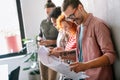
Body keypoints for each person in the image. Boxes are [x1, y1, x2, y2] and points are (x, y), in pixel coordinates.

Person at [61, 0, 116, 80]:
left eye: (72, 15)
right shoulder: (79, 28)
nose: (72, 20)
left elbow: (110, 55)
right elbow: (80, 54)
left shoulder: (98, 25)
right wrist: (60, 54)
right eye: (69, 18)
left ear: (80, 7)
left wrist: (85, 65)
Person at [38, 0, 58, 80]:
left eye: (51, 12)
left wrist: (51, 42)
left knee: (52, 78)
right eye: (47, 12)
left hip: (54, 53)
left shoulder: (58, 22)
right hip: (43, 51)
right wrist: (39, 40)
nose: (49, 14)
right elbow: (39, 35)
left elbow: (63, 40)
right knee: (43, 77)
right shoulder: (43, 22)